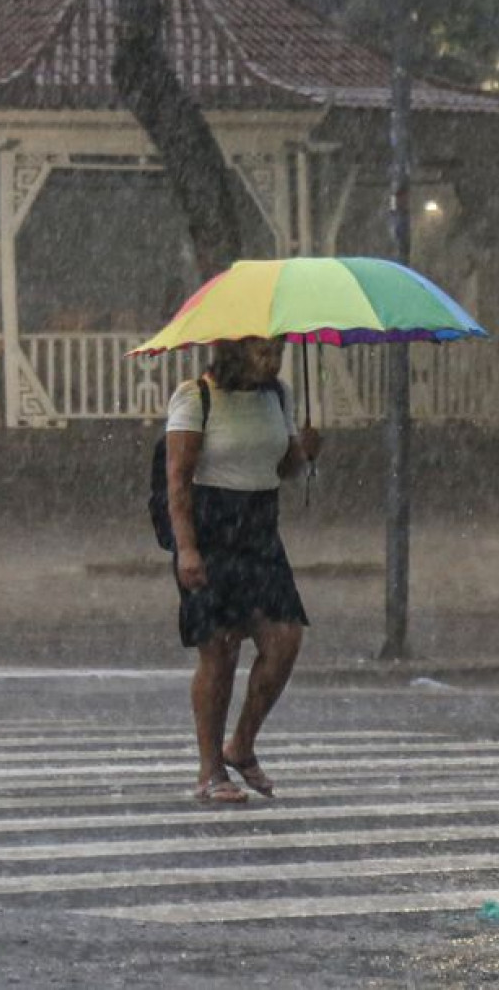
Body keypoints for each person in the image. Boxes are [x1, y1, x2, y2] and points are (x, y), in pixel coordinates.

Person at [165, 337, 320, 804]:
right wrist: (188, 549)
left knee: (285, 638)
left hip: (259, 529)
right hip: (211, 528)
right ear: (233, 352)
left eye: (277, 352)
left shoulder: (279, 396)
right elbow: (177, 478)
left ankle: (242, 744)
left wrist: (306, 451)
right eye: (261, 353)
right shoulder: (197, 397)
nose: (272, 362)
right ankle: (211, 770)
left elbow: (286, 467)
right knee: (220, 651)